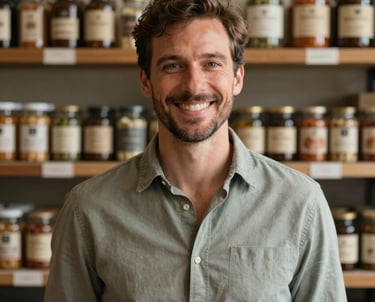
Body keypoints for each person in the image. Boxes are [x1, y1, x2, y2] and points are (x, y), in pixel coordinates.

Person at [44, 0, 347, 301]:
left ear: (237, 77)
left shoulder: (300, 203)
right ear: (146, 80)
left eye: (212, 63)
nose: (193, 85)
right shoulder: (88, 210)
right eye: (173, 65)